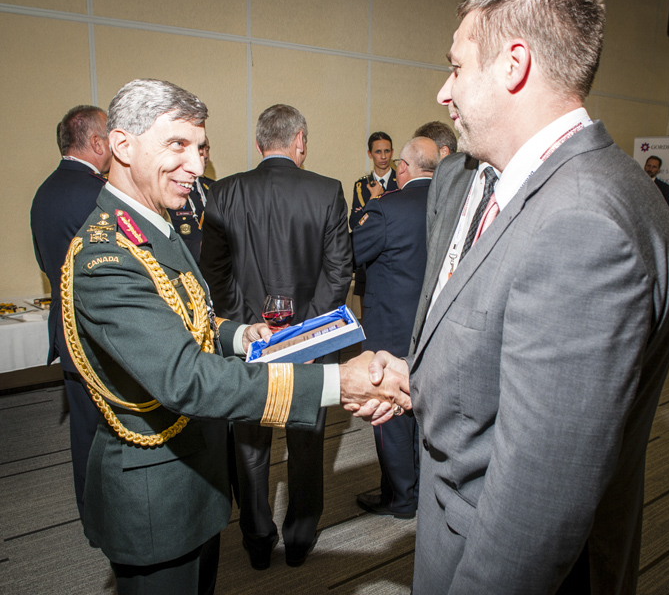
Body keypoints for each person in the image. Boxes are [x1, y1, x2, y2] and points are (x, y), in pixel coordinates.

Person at [369, 0, 669, 593]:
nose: (443, 90)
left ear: (514, 65)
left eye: (457, 67)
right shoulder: (495, 179)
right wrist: (423, 377)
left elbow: (536, 512)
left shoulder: (583, 225)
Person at [61, 78, 409, 595]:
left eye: (199, 147)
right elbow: (187, 379)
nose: (196, 165)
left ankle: (257, 535)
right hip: (156, 498)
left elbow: (193, 311)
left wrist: (244, 334)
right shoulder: (108, 255)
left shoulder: (154, 226)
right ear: (122, 145)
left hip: (194, 482)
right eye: (177, 145)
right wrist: (339, 379)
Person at [200, 104, 352, 570]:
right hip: (310, 346)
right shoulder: (327, 190)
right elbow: (338, 273)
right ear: (299, 140)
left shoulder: (223, 192)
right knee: (306, 441)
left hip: (250, 341)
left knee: (249, 446)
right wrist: (307, 337)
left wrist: (248, 329)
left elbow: (215, 274)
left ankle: (257, 539)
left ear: (259, 143)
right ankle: (300, 538)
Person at [30, 104, 111, 521]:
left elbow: (47, 263)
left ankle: (89, 510)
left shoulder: (44, 192)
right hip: (102, 334)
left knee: (84, 431)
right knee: (115, 432)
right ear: (96, 142)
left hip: (68, 331)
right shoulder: (99, 195)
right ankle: (114, 514)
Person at [351, 137, 439, 518]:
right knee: (422, 411)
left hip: (389, 328)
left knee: (389, 414)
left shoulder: (386, 207)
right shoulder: (451, 205)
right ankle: (422, 488)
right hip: (434, 326)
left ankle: (401, 497)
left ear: (403, 168)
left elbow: (351, 253)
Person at [350, 132, 398, 310]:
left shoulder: (401, 181)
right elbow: (355, 223)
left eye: (387, 151)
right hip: (368, 257)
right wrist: (373, 199)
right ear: (370, 154)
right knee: (367, 311)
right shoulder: (361, 185)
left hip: (393, 255)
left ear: (392, 152)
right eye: (378, 152)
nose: (383, 156)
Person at [167, 136, 214, 263]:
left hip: (214, 266)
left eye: (207, 150)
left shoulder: (214, 188)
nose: (205, 155)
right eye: (200, 149)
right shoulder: (170, 188)